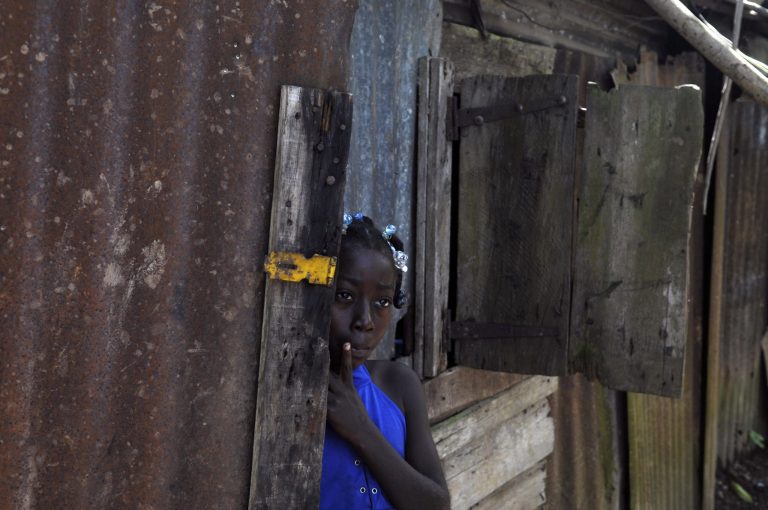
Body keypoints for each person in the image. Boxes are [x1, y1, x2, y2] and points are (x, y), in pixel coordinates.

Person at [320, 213, 450, 510]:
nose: (365, 321)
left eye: (382, 302)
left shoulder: (399, 385)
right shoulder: (291, 397)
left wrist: (360, 428)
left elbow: (437, 504)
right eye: (344, 295)